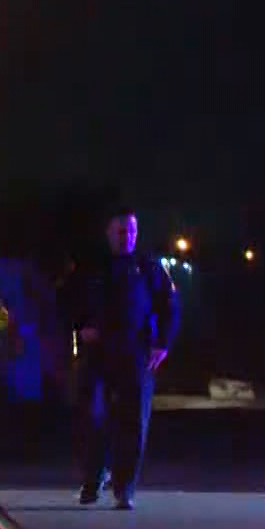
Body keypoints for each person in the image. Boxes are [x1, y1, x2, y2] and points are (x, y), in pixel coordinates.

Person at [62, 207, 178, 510]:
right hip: (97, 353)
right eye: (121, 231)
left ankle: (124, 488)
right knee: (91, 414)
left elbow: (168, 303)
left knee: (133, 420)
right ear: (108, 233)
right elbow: (67, 300)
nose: (128, 237)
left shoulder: (147, 266)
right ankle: (93, 478)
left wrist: (162, 344)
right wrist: (81, 325)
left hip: (135, 353)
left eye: (132, 231)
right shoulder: (91, 266)